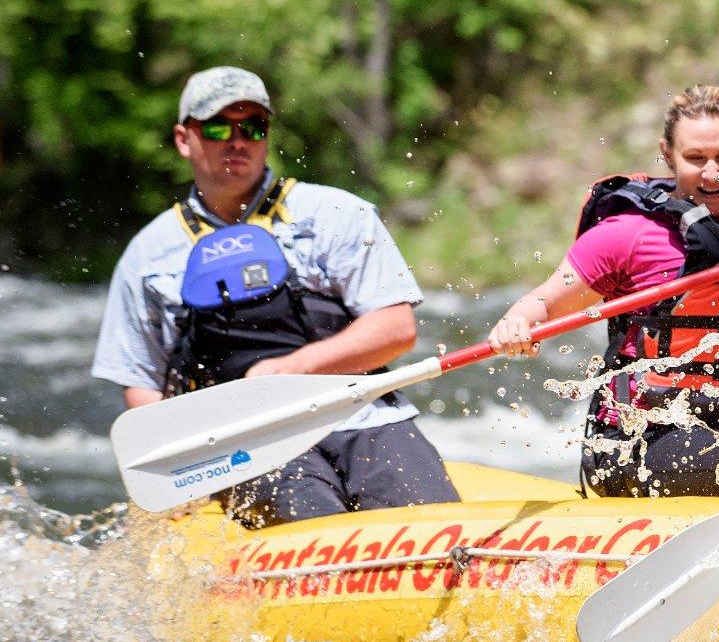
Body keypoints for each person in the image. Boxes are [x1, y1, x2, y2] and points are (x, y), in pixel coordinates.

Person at [92, 66, 458, 526]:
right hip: (245, 444)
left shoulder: (338, 214)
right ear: (184, 139)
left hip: (363, 416)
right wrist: (179, 467)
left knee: (439, 532)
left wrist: (291, 370)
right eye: (219, 127)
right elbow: (142, 376)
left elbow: (395, 329)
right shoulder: (147, 255)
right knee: (314, 527)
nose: (237, 141)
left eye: (253, 127)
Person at [488, 85, 719, 498]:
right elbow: (543, 302)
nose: (713, 173)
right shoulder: (627, 236)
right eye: (695, 158)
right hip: (641, 443)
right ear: (667, 154)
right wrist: (516, 323)